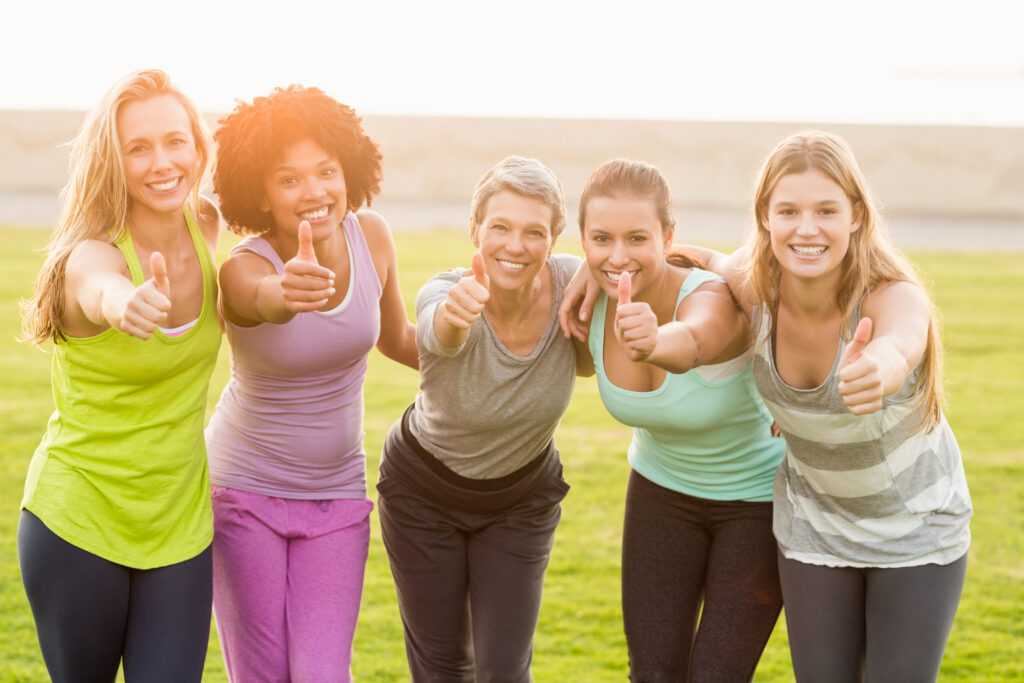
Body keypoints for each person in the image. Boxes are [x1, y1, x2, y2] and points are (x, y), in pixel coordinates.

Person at [565, 132, 972, 681]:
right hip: (814, 529)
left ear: (856, 215)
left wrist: (881, 367)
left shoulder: (891, 293)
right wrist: (603, 271)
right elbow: (700, 265)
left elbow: (903, 338)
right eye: (789, 211)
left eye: (826, 210)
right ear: (765, 217)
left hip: (914, 530)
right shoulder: (755, 286)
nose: (807, 228)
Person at [203, 85, 418, 682]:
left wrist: (485, 346)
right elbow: (255, 302)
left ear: (349, 167)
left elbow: (399, 338)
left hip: (338, 495)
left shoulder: (370, 235)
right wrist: (284, 293)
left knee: (324, 674)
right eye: (288, 179)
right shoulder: (245, 267)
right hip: (243, 493)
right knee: (264, 675)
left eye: (326, 171)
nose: (315, 191)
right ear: (260, 193)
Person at [18, 69, 221, 682]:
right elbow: (98, 285)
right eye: (139, 147)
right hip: (79, 519)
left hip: (179, 525)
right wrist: (123, 301)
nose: (162, 161)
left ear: (197, 145)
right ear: (114, 159)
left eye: (174, 141)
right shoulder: (93, 253)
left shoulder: (208, 225)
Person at [376, 155, 593, 681]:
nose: (515, 246)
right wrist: (454, 318)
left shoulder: (573, 284)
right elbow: (436, 331)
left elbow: (644, 252)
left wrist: (598, 263)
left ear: (555, 239)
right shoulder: (446, 291)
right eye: (500, 227)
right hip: (422, 495)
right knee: (443, 665)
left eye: (533, 232)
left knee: (504, 670)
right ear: (475, 231)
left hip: (520, 500)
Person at [574, 159, 784, 681]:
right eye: (601, 238)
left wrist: (652, 340)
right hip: (658, 495)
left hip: (754, 503)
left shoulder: (713, 296)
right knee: (653, 673)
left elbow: (692, 343)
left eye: (637, 238)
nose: (618, 255)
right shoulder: (586, 294)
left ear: (668, 236)